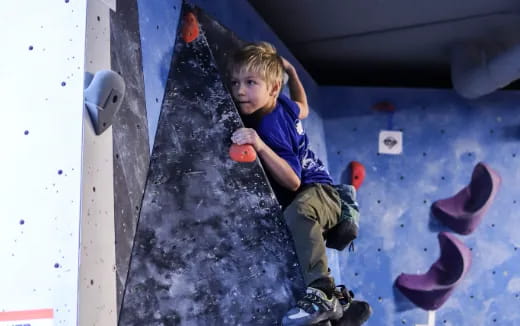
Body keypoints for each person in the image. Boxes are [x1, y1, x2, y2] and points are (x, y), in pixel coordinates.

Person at [229, 41, 364, 326]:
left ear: (273, 88)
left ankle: (322, 294)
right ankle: (342, 308)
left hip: (320, 192)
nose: (240, 90)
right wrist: (292, 71)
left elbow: (292, 181)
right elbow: (304, 107)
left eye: (250, 82)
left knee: (298, 212)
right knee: (299, 244)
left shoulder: (267, 126)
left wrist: (259, 144)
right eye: (235, 82)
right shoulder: (285, 106)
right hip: (321, 192)